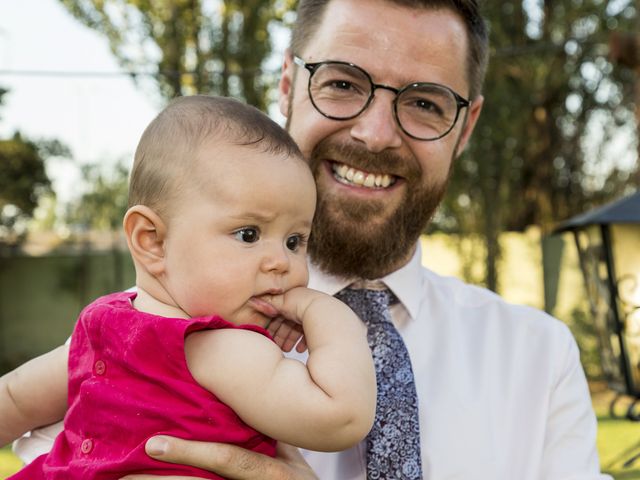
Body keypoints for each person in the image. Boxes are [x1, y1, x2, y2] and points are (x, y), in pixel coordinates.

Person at [11, 0, 613, 479]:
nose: (376, 134)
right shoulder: (119, 348)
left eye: (426, 103)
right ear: (287, 84)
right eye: (345, 83)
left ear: (466, 128)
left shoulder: (541, 361)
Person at [0, 95, 377, 478]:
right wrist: (330, 314)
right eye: (248, 234)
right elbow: (341, 416)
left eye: (295, 241)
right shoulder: (225, 349)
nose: (281, 262)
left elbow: (14, 397)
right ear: (153, 242)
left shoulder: (100, 324)